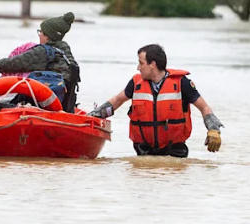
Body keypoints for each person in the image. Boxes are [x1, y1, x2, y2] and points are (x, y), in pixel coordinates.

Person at [89, 44, 222, 157]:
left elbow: (204, 108)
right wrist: (92, 117)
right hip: (144, 152)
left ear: (152, 64)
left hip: (174, 152)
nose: (138, 67)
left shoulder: (182, 83)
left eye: (141, 63)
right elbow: (116, 101)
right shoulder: (136, 83)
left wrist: (213, 129)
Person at [0, 12, 80, 111]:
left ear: (48, 36)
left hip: (43, 109)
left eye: (41, 32)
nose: (39, 35)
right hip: (65, 109)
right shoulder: (67, 53)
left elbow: (2, 65)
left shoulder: (42, 52)